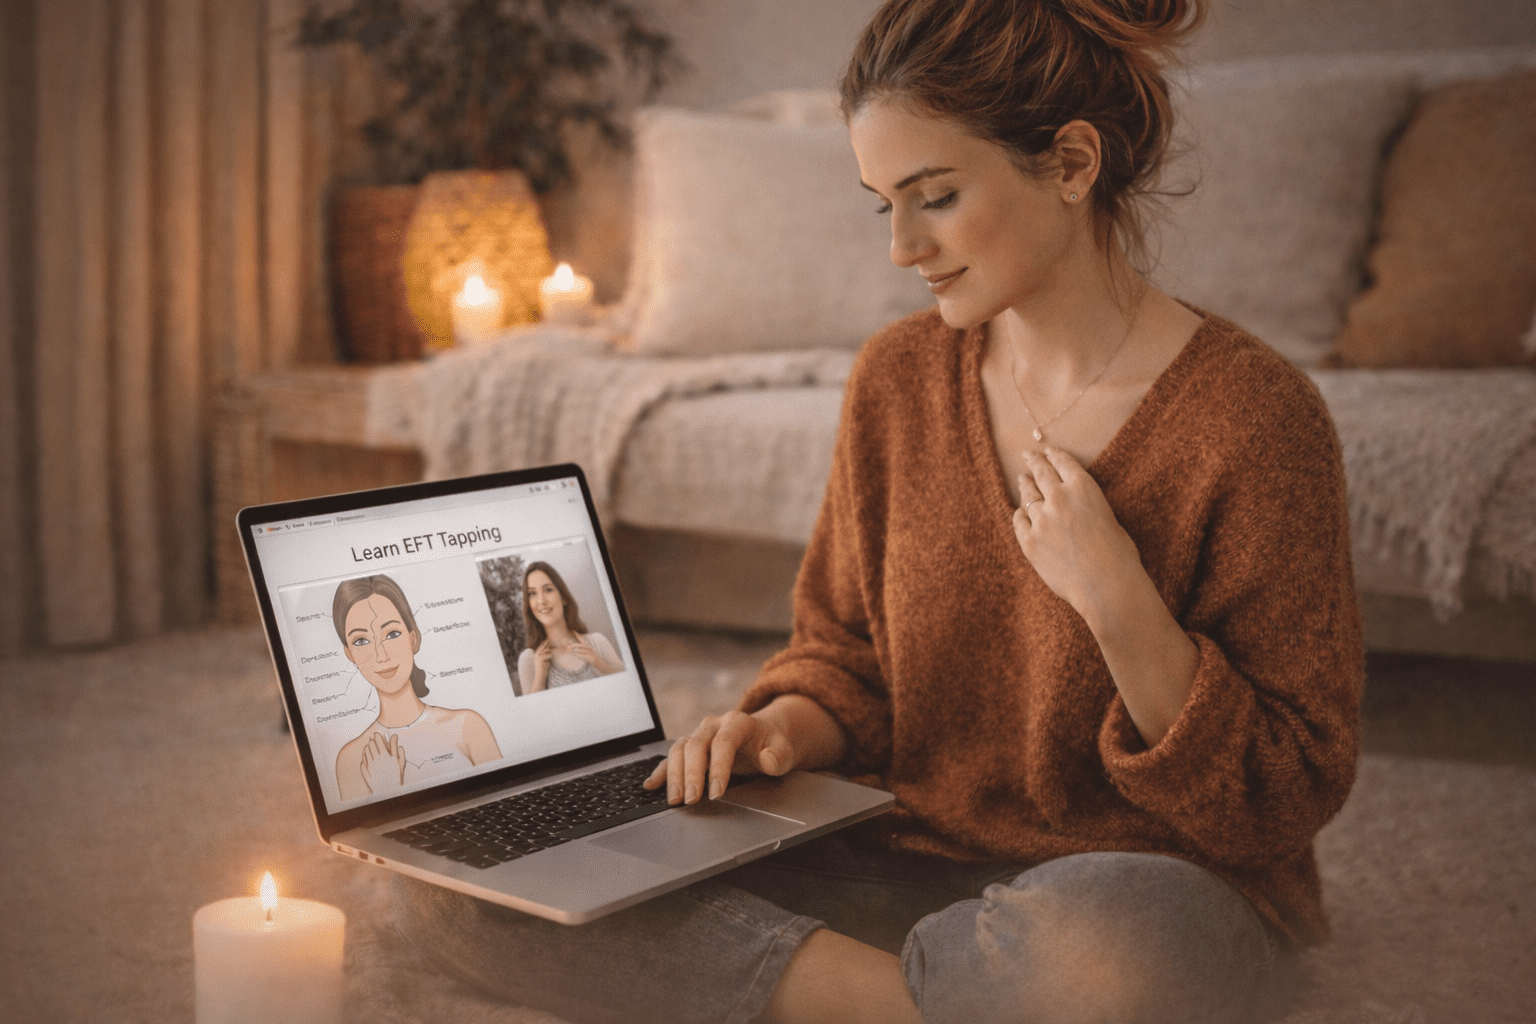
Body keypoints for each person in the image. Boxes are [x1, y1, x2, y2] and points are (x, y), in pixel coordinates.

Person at [392, 2, 1364, 1021]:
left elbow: (1284, 793)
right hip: (900, 859)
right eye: (882, 205)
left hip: (1150, 886)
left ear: (1073, 164)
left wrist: (1118, 600)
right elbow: (846, 657)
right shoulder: (898, 379)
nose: (903, 247)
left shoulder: (1255, 419)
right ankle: (907, 1002)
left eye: (935, 196)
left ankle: (822, 991)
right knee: (468, 886)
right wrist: (778, 732)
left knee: (1104, 957)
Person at [332, 574, 502, 802]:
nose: (381, 656)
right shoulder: (350, 760)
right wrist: (388, 788)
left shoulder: (469, 726)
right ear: (350, 654)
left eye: (392, 634)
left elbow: (507, 803)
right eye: (361, 641)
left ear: (414, 639)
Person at [517, 561, 624, 693]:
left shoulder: (597, 641)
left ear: (564, 598)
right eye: (532, 593)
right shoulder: (528, 659)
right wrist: (540, 676)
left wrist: (597, 662)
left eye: (548, 590)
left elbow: (629, 685)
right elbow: (531, 712)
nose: (541, 601)